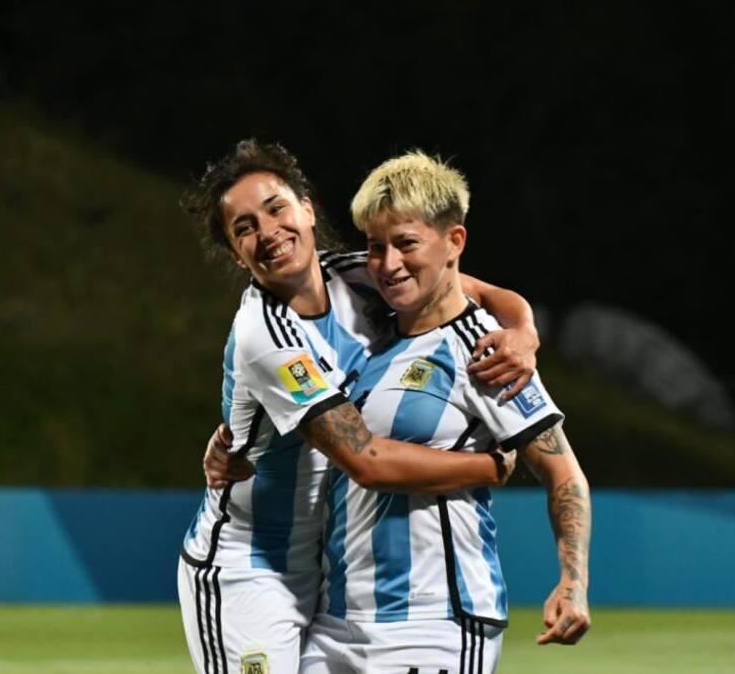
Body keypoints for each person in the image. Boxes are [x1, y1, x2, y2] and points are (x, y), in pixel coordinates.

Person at [178, 140, 543, 674]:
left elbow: (478, 292)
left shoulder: (359, 274)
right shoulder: (265, 333)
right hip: (248, 570)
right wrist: (490, 466)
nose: (268, 232)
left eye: (276, 208)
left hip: (325, 569)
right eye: (245, 228)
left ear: (307, 208)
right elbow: (365, 459)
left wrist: (525, 331)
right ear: (237, 254)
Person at [298, 151, 592, 674]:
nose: (388, 265)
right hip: (339, 622)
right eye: (375, 246)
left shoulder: (486, 350)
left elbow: (562, 472)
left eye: (406, 243)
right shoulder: (371, 341)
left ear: (454, 242)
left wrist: (573, 582)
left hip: (433, 626)